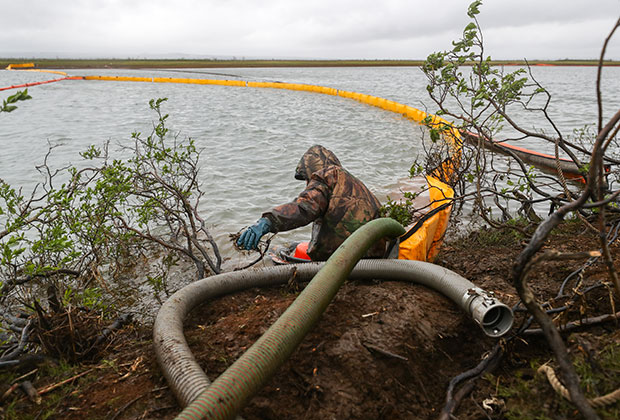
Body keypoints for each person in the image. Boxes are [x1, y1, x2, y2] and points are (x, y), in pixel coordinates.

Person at [237, 144, 386, 261]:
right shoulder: (354, 184)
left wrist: (268, 221)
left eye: (308, 180)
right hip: (375, 258)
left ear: (313, 172)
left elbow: (303, 209)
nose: (308, 185)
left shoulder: (327, 177)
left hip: (345, 264)